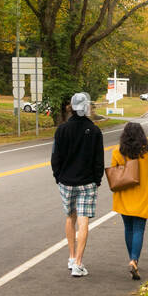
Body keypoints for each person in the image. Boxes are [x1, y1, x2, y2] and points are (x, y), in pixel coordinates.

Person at [51, 91, 104, 277]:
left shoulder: (62, 130)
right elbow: (99, 160)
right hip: (87, 182)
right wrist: (97, 180)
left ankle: (71, 257)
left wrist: (58, 176)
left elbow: (55, 157)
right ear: (86, 107)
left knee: (69, 218)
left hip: (66, 181)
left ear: (71, 108)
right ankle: (79, 263)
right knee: (83, 222)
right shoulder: (95, 131)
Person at [109, 122, 148, 280]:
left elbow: (114, 172)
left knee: (128, 229)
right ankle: (134, 260)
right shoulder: (147, 152)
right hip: (142, 196)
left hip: (124, 197)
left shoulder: (117, 151)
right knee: (138, 229)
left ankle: (132, 259)